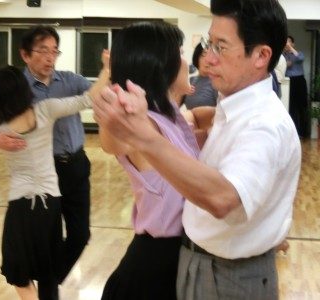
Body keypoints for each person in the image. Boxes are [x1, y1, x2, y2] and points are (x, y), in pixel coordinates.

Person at [93, 0, 301, 299]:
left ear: (261, 55)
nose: (208, 58)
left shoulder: (261, 124)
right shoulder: (230, 112)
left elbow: (221, 197)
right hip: (181, 264)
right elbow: (114, 142)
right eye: (209, 44)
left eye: (221, 47)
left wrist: (267, 230)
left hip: (222, 274)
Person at [0, 64, 109, 300]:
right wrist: (106, 69)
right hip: (51, 202)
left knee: (18, 272)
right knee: (47, 271)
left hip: (23, 205)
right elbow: (87, 99)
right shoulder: (45, 110)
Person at [99, 21, 203, 300]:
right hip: (153, 267)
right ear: (161, 64)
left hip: (178, 258)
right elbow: (112, 142)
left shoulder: (171, 114)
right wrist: (116, 100)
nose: (187, 60)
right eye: (181, 52)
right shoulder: (144, 124)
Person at [0, 26, 92, 282]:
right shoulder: (15, 87)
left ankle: (49, 280)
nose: (50, 57)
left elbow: (97, 97)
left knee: (80, 235)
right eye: (43, 51)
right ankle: (47, 288)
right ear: (25, 54)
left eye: (54, 51)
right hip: (42, 173)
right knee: (46, 243)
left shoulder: (70, 81)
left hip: (75, 166)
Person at [284, 35, 310, 137]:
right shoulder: (283, 56)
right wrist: (286, 64)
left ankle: (304, 133)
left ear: (293, 44)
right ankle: (294, 133)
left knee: (302, 106)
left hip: (299, 81)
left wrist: (291, 49)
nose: (287, 44)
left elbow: (301, 58)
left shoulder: (298, 53)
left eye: (289, 42)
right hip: (289, 81)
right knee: (291, 107)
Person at [183, 43, 218, 109]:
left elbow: (222, 112)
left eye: (212, 56)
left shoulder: (216, 82)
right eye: (203, 55)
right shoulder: (190, 80)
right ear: (197, 57)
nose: (207, 60)